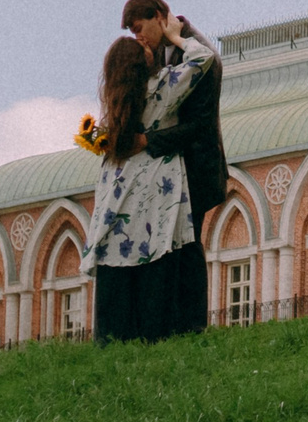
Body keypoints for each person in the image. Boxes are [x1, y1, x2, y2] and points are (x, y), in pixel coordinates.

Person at [84, 19, 218, 342]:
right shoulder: (161, 87)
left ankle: (114, 338)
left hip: (116, 190)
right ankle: (156, 334)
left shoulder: (116, 106)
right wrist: (176, 35)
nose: (148, 47)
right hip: (157, 186)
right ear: (138, 62)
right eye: (143, 48)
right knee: (156, 260)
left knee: (118, 263)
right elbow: (204, 59)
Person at [122, 0, 227, 256]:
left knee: (188, 251)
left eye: (139, 29)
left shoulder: (200, 52)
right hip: (165, 170)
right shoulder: (153, 52)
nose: (138, 38)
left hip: (194, 169)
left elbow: (200, 124)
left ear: (158, 16)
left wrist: (147, 141)